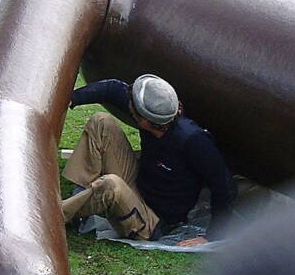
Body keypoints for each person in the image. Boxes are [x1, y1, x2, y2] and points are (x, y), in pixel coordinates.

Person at [61, 74, 236, 247]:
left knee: (111, 185)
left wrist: (212, 236)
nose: (129, 106)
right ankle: (80, 202)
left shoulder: (193, 140)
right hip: (139, 187)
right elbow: (111, 89)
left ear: (145, 120)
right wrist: (71, 99)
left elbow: (224, 186)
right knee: (101, 122)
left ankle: (55, 215)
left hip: (152, 223)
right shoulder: (153, 118)